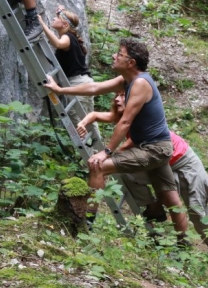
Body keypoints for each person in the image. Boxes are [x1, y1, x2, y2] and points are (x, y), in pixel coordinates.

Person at [43, 39, 188, 236]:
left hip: (154, 149)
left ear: (131, 63)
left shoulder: (140, 84)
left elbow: (125, 122)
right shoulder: (127, 80)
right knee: (171, 200)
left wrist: (106, 152)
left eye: (119, 54)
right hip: (157, 147)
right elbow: (95, 88)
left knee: (98, 166)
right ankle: (181, 244)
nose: (114, 56)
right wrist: (60, 90)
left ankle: (87, 225)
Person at [76, 91, 208, 259]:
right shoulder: (123, 115)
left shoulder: (142, 119)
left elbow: (125, 148)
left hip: (183, 162)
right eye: (116, 96)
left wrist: (106, 157)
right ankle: (153, 207)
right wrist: (83, 123)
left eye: (123, 96)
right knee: (127, 175)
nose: (117, 99)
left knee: (198, 211)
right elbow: (95, 114)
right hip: (159, 163)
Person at [39, 5, 98, 138]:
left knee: (78, 121)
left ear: (65, 23)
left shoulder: (67, 37)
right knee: (89, 120)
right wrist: (60, 11)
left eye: (57, 18)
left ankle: (92, 154)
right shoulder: (72, 38)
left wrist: (42, 24)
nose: (53, 18)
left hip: (77, 83)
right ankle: (99, 151)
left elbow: (59, 44)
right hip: (85, 81)